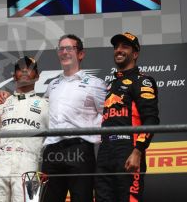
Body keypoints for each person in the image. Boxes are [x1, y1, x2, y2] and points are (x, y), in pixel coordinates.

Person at [39, 34, 106, 202]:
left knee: (82, 198)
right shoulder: (52, 85)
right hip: (52, 151)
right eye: (61, 48)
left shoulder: (95, 83)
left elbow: (107, 115)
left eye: (69, 48)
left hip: (80, 148)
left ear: (81, 54)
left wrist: (92, 132)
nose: (64, 52)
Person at [95, 32, 160, 202]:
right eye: (116, 47)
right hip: (105, 151)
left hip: (128, 149)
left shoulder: (143, 80)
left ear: (135, 54)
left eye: (125, 46)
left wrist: (138, 151)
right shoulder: (110, 85)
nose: (118, 50)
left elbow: (151, 120)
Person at [0, 56, 49, 202]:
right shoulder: (2, 103)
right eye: (20, 69)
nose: (25, 70)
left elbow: (56, 138)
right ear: (14, 76)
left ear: (38, 76)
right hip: (0, 163)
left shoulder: (45, 105)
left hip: (30, 163)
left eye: (30, 68)